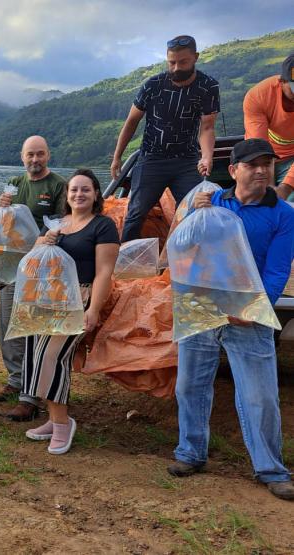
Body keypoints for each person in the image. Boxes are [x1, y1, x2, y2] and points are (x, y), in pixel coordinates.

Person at [170, 138, 294, 500]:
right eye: (252, 164)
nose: (261, 170)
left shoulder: (283, 214)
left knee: (261, 396)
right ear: (235, 170)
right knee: (189, 385)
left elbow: (276, 271)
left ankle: (271, 469)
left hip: (248, 313)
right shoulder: (213, 202)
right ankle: (190, 453)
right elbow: (186, 246)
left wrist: (253, 308)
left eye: (267, 164)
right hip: (203, 306)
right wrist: (193, 211)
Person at [22, 169, 118, 455]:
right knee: (36, 356)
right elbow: (33, 256)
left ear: (96, 193)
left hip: (80, 297)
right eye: (74, 189)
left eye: (85, 189)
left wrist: (94, 309)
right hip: (48, 297)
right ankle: (53, 420)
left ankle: (63, 424)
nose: (79, 194)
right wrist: (43, 241)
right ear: (67, 195)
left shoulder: (103, 226)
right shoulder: (56, 224)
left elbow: (105, 272)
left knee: (51, 356)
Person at [110, 35, 219, 242]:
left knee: (195, 209)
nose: (176, 67)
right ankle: (126, 263)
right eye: (172, 62)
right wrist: (117, 157)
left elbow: (207, 127)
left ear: (195, 57)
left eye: (183, 62)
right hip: (152, 158)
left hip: (187, 160)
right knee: (136, 212)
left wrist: (206, 157)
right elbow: (131, 122)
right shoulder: (153, 85)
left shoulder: (208, 86)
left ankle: (185, 260)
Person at [0, 136, 67, 421]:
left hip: (42, 271)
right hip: (11, 268)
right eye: (29, 155)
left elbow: (62, 224)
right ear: (22, 157)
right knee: (7, 325)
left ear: (48, 155)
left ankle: (30, 396)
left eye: (40, 155)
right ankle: (15, 379)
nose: (35, 160)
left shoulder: (58, 185)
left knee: (33, 328)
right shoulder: (14, 183)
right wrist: (0, 207)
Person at [243, 54, 294, 200]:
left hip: (292, 159)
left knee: (289, 203)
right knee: (256, 198)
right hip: (262, 158)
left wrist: (285, 188)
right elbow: (258, 147)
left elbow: (285, 191)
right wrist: (268, 186)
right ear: (282, 81)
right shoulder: (258, 96)